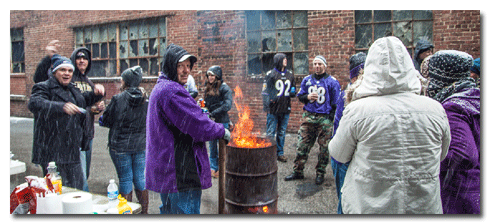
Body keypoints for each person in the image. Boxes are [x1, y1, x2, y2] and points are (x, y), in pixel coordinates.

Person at [328, 36, 451, 214]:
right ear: (408, 66)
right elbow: (441, 154)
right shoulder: (435, 109)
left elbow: (338, 154)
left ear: (370, 68)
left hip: (370, 207)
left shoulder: (358, 111)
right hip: (422, 207)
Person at [146, 43, 230, 214]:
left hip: (168, 169)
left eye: (188, 66)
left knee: (170, 211)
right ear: (170, 67)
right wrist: (222, 130)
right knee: (185, 211)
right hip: (179, 171)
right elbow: (198, 125)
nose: (186, 71)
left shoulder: (163, 87)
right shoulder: (172, 91)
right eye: (180, 66)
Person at [32, 40, 105, 192]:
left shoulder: (72, 89)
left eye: (70, 71)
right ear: (54, 72)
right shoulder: (44, 86)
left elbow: (83, 100)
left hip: (72, 149)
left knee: (77, 190)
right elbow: (35, 103)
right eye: (63, 70)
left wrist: (96, 94)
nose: (67, 73)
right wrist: (61, 107)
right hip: (52, 151)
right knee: (58, 192)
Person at [426, 50, 480, 214]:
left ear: (442, 78)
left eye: (431, 77)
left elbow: (462, 154)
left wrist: (426, 162)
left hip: (463, 192)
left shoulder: (453, 107)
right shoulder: (474, 97)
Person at [98, 66, 149, 214]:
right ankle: (144, 213)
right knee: (140, 178)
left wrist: (102, 118)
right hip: (140, 145)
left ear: (125, 81)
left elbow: (106, 120)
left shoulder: (118, 99)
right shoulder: (146, 99)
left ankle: (127, 214)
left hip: (120, 147)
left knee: (125, 179)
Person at [284, 55, 340, 185]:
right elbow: (300, 96)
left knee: (324, 148)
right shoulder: (307, 80)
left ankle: (320, 173)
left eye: (320, 64)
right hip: (309, 116)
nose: (317, 66)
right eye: (315, 64)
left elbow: (336, 103)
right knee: (302, 145)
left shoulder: (332, 82)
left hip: (324, 118)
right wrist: (308, 96)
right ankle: (298, 171)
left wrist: (330, 119)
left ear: (324, 65)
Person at [330, 52, 366, 214]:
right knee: (346, 200)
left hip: (355, 158)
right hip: (343, 158)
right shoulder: (347, 95)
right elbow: (340, 132)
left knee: (354, 202)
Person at [262, 53, 296, 163]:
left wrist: (293, 92)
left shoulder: (290, 75)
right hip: (273, 109)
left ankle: (280, 153)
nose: (286, 61)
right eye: (283, 59)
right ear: (278, 60)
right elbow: (265, 92)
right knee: (271, 132)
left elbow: (293, 90)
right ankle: (268, 153)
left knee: (281, 132)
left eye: (286, 59)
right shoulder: (271, 74)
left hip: (285, 108)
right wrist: (267, 106)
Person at [204, 65, 233, 178]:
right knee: (212, 147)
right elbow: (207, 103)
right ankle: (213, 168)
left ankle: (223, 168)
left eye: (212, 75)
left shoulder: (224, 88)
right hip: (211, 121)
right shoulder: (208, 87)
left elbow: (227, 105)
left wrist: (213, 113)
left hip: (222, 121)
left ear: (217, 76)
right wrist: (204, 108)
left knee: (222, 147)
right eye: (209, 75)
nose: (210, 77)